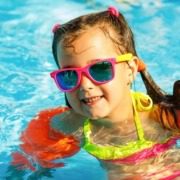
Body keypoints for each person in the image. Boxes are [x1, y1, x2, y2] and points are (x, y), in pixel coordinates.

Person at [11, 6, 180, 179]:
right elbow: (24, 167)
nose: (85, 85)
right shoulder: (70, 126)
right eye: (69, 75)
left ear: (130, 69)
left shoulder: (163, 117)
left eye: (100, 69)